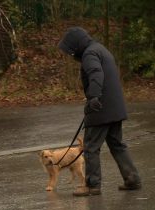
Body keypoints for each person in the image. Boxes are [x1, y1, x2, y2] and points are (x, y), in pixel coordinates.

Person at [58, 27, 141, 196]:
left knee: (90, 147)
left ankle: (92, 185)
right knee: (117, 145)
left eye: (70, 50)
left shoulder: (89, 54)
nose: (71, 55)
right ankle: (132, 179)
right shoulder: (101, 49)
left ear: (76, 45)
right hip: (115, 108)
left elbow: (96, 73)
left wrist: (94, 97)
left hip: (100, 108)